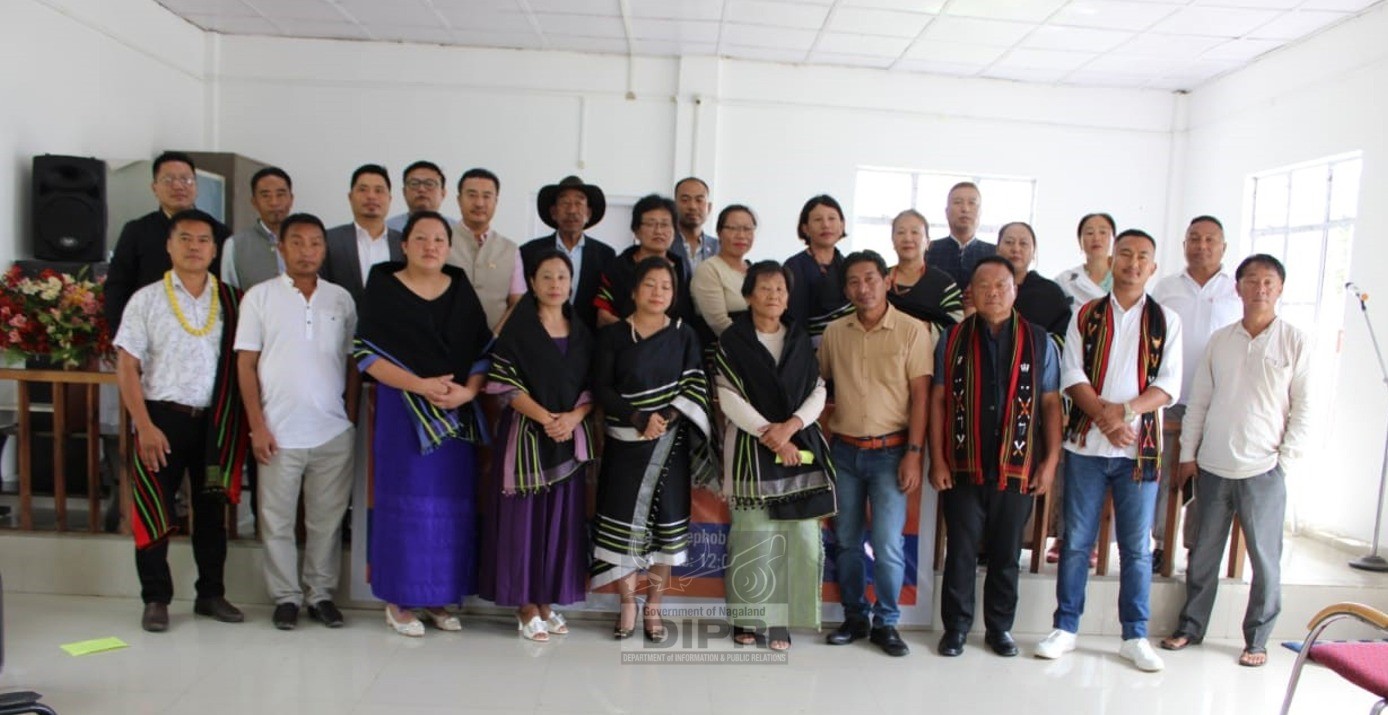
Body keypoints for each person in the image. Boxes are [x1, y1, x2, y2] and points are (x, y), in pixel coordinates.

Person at [1035, 229, 1183, 673]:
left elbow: (1168, 385)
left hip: (1139, 450)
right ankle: (1065, 628)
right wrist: (1105, 417)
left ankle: (1134, 635)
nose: (1133, 263)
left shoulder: (1166, 321)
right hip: (1085, 446)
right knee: (1076, 541)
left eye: (1143, 257)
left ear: (1152, 268)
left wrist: (1124, 413)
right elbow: (1071, 374)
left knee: (1137, 547)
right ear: (1112, 259)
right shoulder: (1085, 314)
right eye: (1126, 254)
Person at [1159, 254, 1311, 668]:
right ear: (1237, 287)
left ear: (1279, 289)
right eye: (1251, 281)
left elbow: (1305, 407)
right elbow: (1200, 402)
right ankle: (1190, 627)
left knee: (1265, 560)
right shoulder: (1221, 341)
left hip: (1264, 470)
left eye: (1268, 282)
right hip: (1212, 466)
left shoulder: (1294, 341)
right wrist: (1188, 455)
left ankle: (1256, 639)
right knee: (1203, 552)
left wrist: (1284, 460)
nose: (1259, 289)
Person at [353, 211, 494, 637]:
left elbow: (484, 351)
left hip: (454, 412)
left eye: (438, 239)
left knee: (451, 509)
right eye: (421, 238)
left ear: (449, 247)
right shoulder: (383, 286)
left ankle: (439, 596)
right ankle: (399, 600)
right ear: (405, 245)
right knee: (405, 506)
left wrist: (469, 392)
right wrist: (418, 384)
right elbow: (366, 355)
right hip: (403, 411)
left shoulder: (460, 289)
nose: (430, 246)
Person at [113, 208, 248, 633]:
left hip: (216, 424)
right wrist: (144, 425)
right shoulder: (146, 299)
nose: (194, 247)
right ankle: (155, 598)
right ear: (169, 245)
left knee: (212, 512)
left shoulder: (232, 300)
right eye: (185, 238)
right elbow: (126, 365)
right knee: (153, 509)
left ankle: (211, 593)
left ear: (214, 249)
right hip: (161, 420)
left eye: (203, 240)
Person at [929, 256, 1062, 658]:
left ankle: (1000, 629)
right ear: (971, 291)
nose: (993, 292)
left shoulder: (1040, 341)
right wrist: (937, 458)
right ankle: (955, 629)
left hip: (1018, 466)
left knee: (1006, 554)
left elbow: (1052, 404)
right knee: (962, 553)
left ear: (1014, 290)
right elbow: (937, 402)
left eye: (1001, 285)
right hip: (962, 464)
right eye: (983, 285)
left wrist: (1050, 460)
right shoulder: (951, 339)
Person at [234, 212, 357, 631]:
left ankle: (320, 594)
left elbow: (354, 364)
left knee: (326, 521)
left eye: (316, 243)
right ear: (281, 248)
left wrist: (351, 418)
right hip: (279, 432)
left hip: (332, 431)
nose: (307, 251)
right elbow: (246, 365)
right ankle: (286, 598)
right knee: (277, 520)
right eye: (298, 242)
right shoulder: (260, 297)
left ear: (325, 249)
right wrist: (258, 426)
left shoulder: (340, 299)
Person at [591, 256, 718, 642]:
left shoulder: (684, 335)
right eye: (649, 284)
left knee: (666, 533)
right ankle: (628, 604)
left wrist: (661, 417)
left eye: (665, 286)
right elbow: (601, 388)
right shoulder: (613, 336)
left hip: (669, 446)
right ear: (633, 290)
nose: (657, 292)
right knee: (621, 529)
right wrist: (636, 417)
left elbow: (694, 386)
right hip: (624, 447)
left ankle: (654, 607)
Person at [713, 261, 836, 652]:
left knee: (798, 537)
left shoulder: (800, 339)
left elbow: (818, 390)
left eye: (780, 289)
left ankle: (782, 621)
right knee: (753, 536)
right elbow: (727, 396)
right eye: (765, 288)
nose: (774, 296)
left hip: (799, 446)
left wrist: (791, 427)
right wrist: (772, 434)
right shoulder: (732, 340)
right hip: (752, 451)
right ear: (748, 295)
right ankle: (747, 620)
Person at [478, 249, 595, 642]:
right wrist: (547, 418)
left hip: (568, 438)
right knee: (523, 524)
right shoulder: (519, 330)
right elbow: (502, 383)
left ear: (571, 282)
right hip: (526, 437)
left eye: (562, 277)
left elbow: (595, 385)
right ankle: (525, 604)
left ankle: (547, 600)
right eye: (546, 277)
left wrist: (573, 418)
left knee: (560, 521)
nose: (555, 285)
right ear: (531, 283)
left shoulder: (582, 332)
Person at [820, 250, 932, 658]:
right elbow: (821, 386)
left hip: (892, 452)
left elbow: (921, 397)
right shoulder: (835, 332)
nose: (862, 288)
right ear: (846, 288)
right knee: (847, 540)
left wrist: (914, 453)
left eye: (870, 278)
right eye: (853, 281)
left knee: (886, 543)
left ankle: (887, 622)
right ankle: (855, 616)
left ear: (887, 280)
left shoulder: (912, 330)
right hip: (844, 453)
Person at [1149, 215, 1243, 570]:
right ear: (1184, 244)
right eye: (1194, 238)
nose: (1201, 246)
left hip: (1219, 404)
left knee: (1207, 480)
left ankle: (1195, 547)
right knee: (1165, 476)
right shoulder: (1166, 288)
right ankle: (1160, 543)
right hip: (1170, 400)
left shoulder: (1236, 290)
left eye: (1210, 239)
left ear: (1223, 247)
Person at [106, 151, 231, 331]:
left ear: (196, 186)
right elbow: (118, 287)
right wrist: (121, 334)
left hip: (206, 327)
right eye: (168, 180)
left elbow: (226, 285)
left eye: (186, 180)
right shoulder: (137, 230)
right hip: (150, 328)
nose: (178, 186)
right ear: (154, 187)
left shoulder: (218, 232)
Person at [520, 175, 616, 331]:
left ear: (588, 213)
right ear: (553, 212)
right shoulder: (529, 252)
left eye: (579, 203)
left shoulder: (605, 255)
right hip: (540, 337)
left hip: (588, 343)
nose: (572, 210)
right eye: (565, 203)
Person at [593, 194, 699, 332]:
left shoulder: (682, 269)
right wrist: (640, 334)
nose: (658, 231)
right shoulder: (617, 267)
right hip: (624, 344)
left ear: (675, 231)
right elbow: (603, 316)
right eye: (650, 224)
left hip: (672, 347)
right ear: (636, 231)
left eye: (665, 224)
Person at [444, 167, 524, 330]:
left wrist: (496, 336)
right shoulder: (441, 241)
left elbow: (517, 302)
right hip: (444, 341)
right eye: (472, 195)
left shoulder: (510, 249)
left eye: (487, 196)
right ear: (459, 200)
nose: (479, 203)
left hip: (494, 344)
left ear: (496, 201)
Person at [322, 164, 404, 304]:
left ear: (389, 198)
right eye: (363, 190)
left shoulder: (404, 243)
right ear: (350, 197)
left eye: (379, 190)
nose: (371, 196)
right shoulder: (329, 240)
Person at [785, 195, 854, 346]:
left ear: (842, 225)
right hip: (809, 347)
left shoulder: (849, 265)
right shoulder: (794, 266)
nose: (826, 225)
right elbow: (795, 319)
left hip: (850, 344)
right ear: (805, 228)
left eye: (832, 218)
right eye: (817, 220)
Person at [885, 209, 962, 336]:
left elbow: (956, 328)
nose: (907, 238)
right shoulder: (877, 279)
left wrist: (921, 328)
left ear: (928, 242)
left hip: (926, 353)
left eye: (915, 232)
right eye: (900, 232)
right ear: (893, 241)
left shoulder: (944, 284)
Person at [221, 167, 293, 290]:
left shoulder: (312, 242)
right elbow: (230, 294)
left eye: (280, 194)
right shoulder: (235, 245)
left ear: (291, 199)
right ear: (254, 202)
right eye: (266, 195)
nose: (274, 202)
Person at [690, 204, 757, 337]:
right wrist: (755, 346)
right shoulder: (709, 269)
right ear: (719, 232)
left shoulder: (755, 271)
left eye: (747, 229)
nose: (741, 235)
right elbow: (719, 323)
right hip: (726, 348)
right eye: (733, 228)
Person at [996, 222, 1072, 338]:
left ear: (1033, 253)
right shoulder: (984, 287)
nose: (1016, 248)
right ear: (997, 249)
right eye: (1009, 242)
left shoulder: (1050, 293)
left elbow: (1065, 337)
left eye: (1023, 243)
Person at [926, 182, 995, 290]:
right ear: (946, 212)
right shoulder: (928, 250)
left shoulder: (995, 253)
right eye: (958, 202)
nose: (965, 209)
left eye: (972, 203)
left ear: (980, 212)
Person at [1056, 213, 1115, 308]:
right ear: (1080, 241)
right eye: (1090, 233)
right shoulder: (1066, 280)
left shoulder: (1126, 277)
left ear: (1114, 240)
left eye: (1103, 232)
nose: (1096, 238)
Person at [385, 160, 458, 232]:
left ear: (443, 193)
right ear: (404, 192)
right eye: (414, 184)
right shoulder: (388, 229)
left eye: (429, 184)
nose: (421, 189)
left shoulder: (455, 230)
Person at [670, 176, 720, 278]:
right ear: (674, 206)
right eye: (685, 200)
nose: (692, 206)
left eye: (699, 200)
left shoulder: (719, 247)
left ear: (709, 208)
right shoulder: (665, 244)